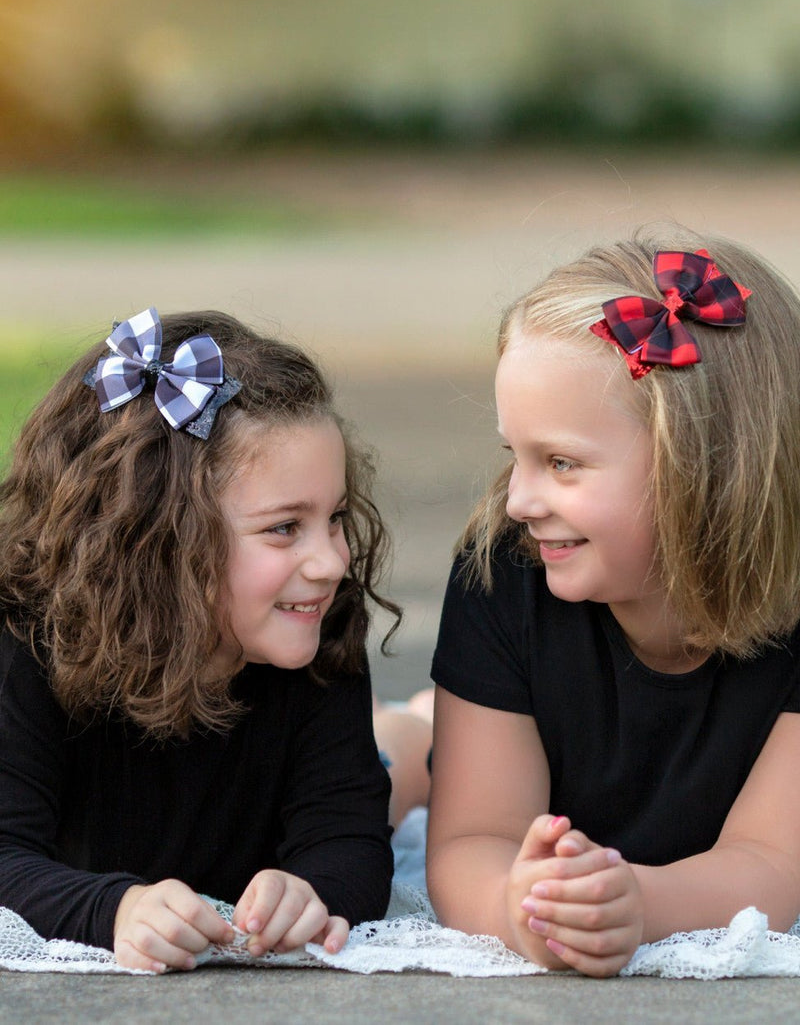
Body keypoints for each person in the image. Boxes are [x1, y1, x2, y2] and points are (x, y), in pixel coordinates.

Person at [426, 228, 800, 977]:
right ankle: (404, 737)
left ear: (703, 467)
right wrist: (519, 904)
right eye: (516, 455)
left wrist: (636, 903)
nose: (521, 499)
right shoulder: (503, 566)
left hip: (687, 863)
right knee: (394, 766)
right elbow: (473, 836)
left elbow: (770, 865)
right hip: (553, 798)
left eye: (561, 462)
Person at [0, 308, 399, 973]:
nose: (331, 561)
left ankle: (410, 735)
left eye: (333, 519)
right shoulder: (28, 640)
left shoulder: (315, 626)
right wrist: (115, 907)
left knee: (399, 771)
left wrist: (311, 891)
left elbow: (350, 837)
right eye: (283, 529)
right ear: (159, 538)